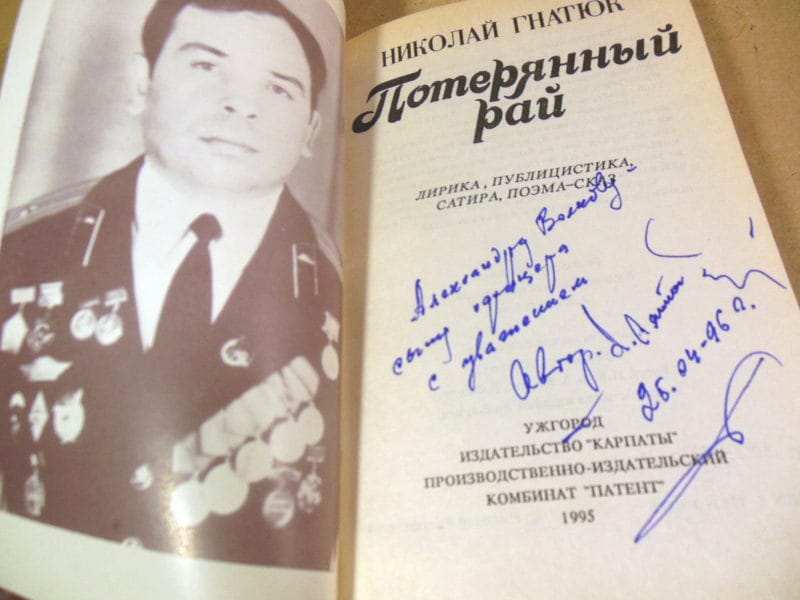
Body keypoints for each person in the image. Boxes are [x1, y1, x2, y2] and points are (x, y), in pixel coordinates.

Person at [0, 0, 340, 570]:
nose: (241, 105)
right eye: (206, 66)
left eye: (278, 89)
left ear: (309, 131)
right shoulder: (25, 250)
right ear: (143, 82)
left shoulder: (339, 290)